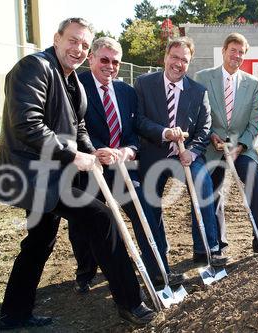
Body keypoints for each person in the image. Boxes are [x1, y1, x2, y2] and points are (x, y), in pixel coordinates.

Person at [0, 18, 155, 330]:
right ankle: (131, 304)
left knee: (40, 239)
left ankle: (14, 313)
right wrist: (72, 155)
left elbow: (78, 128)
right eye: (73, 41)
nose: (77, 49)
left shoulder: (72, 80)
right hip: (34, 174)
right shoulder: (34, 68)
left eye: (83, 44)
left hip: (55, 174)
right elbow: (26, 124)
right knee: (101, 219)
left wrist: (93, 152)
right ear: (57, 38)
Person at [68, 37, 184, 294]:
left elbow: (133, 131)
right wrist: (97, 151)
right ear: (92, 59)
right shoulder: (76, 87)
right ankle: (84, 273)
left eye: (115, 62)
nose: (110, 66)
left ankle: (158, 270)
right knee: (84, 223)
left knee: (145, 208)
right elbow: (75, 128)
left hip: (122, 168)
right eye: (104, 60)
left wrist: (128, 150)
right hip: (88, 169)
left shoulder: (126, 92)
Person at [134, 37, 227, 266]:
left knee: (203, 183)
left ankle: (207, 247)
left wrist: (193, 152)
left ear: (189, 62)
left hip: (185, 155)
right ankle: (159, 253)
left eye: (184, 60)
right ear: (165, 57)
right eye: (174, 57)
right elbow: (139, 120)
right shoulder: (144, 84)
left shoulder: (198, 91)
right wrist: (164, 133)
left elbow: (204, 128)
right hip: (153, 153)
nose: (178, 63)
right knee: (150, 201)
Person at [194, 33, 258, 253]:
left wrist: (241, 146)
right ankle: (215, 242)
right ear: (224, 50)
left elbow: (254, 122)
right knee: (210, 187)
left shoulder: (253, 84)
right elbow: (198, 114)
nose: (236, 56)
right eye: (233, 50)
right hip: (212, 146)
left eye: (241, 52)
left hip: (241, 146)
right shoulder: (203, 78)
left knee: (254, 177)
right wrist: (210, 134)